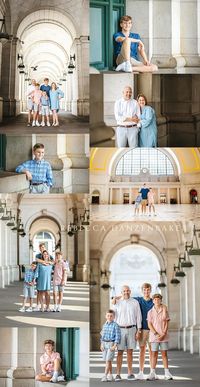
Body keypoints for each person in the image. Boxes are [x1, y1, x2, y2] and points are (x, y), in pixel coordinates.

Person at [112, 285, 142, 381]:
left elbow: (139, 316)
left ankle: (130, 373)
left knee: (130, 352)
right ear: (121, 292)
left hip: (132, 329)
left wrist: (139, 330)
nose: (126, 292)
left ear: (130, 291)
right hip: (119, 329)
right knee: (119, 352)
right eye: (124, 291)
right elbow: (112, 316)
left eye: (128, 290)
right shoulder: (117, 303)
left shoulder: (135, 302)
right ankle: (118, 374)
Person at [147, 294, 173, 381]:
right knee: (154, 354)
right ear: (153, 301)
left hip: (164, 335)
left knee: (164, 354)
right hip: (154, 336)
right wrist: (156, 334)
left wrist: (164, 333)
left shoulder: (165, 310)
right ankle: (152, 373)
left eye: (158, 299)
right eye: (155, 300)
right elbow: (149, 324)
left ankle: (167, 373)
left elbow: (167, 322)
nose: (156, 301)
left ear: (161, 300)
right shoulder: (150, 312)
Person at [100, 309, 121, 382]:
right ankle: (111, 375)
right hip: (104, 344)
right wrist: (101, 345)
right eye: (108, 316)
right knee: (108, 360)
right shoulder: (104, 325)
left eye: (111, 316)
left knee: (108, 360)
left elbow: (118, 336)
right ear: (106, 316)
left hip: (111, 344)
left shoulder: (116, 325)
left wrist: (114, 346)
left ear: (114, 317)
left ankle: (105, 376)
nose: (109, 317)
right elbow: (102, 336)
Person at [34, 243, 54, 312]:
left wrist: (49, 262)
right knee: (40, 293)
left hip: (48, 280)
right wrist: (43, 262)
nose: (45, 255)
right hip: (40, 280)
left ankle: (47, 306)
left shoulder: (50, 263)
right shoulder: (39, 260)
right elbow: (36, 271)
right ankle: (41, 306)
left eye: (46, 254)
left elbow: (55, 263)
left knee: (47, 293)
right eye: (44, 255)